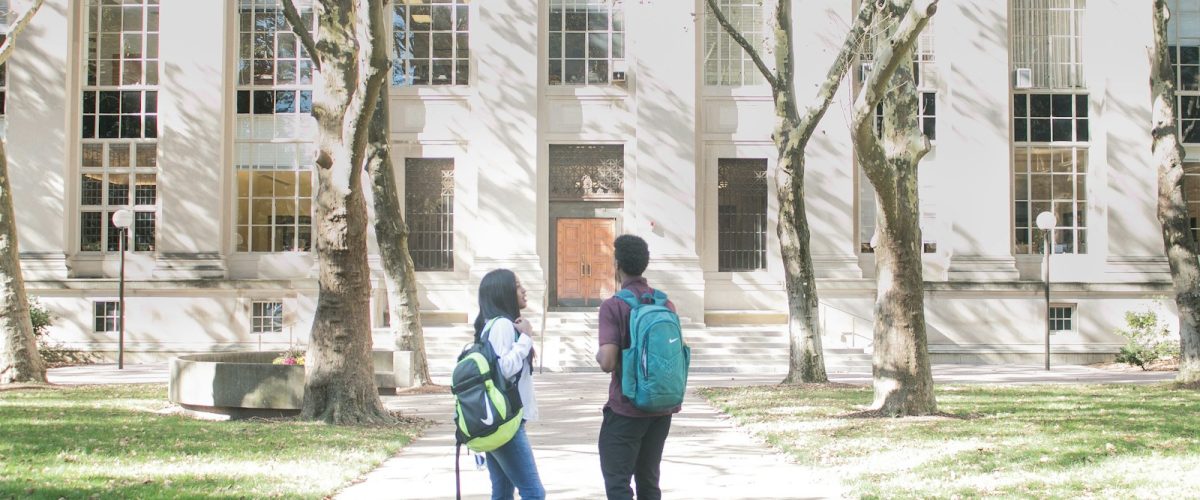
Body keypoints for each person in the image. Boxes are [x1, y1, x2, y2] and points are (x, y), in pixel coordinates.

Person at [595, 234, 680, 500]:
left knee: (618, 483)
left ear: (617, 264)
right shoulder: (665, 303)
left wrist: (599, 354)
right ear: (645, 264)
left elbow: (607, 362)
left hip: (626, 408)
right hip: (661, 408)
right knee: (649, 481)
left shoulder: (613, 306)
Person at [474, 269, 544, 500]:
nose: (523, 289)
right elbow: (503, 369)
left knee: (503, 490)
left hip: (500, 419)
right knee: (534, 492)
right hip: (506, 422)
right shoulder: (502, 326)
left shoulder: (495, 325)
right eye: (517, 285)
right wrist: (526, 338)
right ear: (503, 292)